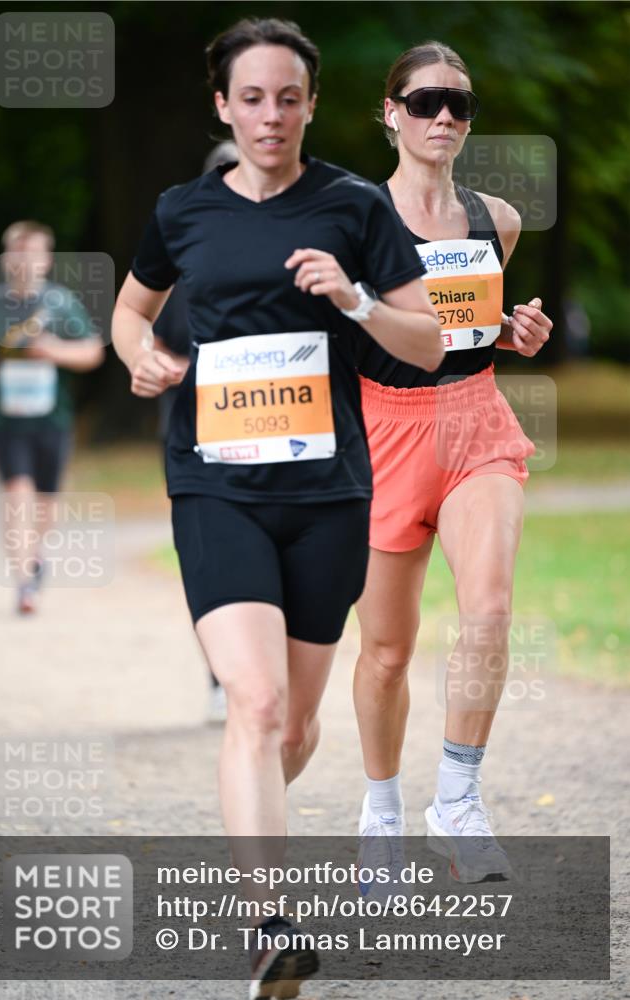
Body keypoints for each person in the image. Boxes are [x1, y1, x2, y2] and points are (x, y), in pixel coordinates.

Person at [111, 17, 442, 997]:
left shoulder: (350, 206)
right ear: (223, 105)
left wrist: (353, 299)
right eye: (250, 98)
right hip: (216, 484)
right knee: (253, 704)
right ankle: (271, 925)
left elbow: (424, 344)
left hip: (328, 492)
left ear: (310, 103)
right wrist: (142, 354)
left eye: (287, 97)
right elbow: (132, 309)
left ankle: (245, 819)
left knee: (292, 730)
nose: (269, 115)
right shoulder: (182, 211)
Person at [353, 41, 553, 888]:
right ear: (390, 111)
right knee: (387, 652)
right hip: (381, 432)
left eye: (459, 106)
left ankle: (458, 799)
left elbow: (464, 328)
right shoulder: (351, 219)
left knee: (490, 608)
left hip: (476, 425)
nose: (444, 117)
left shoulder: (495, 219)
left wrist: (511, 330)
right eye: (427, 101)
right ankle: (380, 812)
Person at [0, 221, 104, 613]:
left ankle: (35, 555)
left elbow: (93, 351)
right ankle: (25, 581)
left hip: (52, 419)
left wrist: (54, 351)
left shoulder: (61, 303)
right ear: (7, 258)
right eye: (18, 252)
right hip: (5, 421)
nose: (25, 260)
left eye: (34, 252)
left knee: (46, 503)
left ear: (46, 261)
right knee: (17, 493)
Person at [152, 141, 238, 725]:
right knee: (211, 557)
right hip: (197, 430)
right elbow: (144, 331)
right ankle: (219, 675)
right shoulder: (179, 262)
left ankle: (258, 671)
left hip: (275, 429)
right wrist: (164, 365)